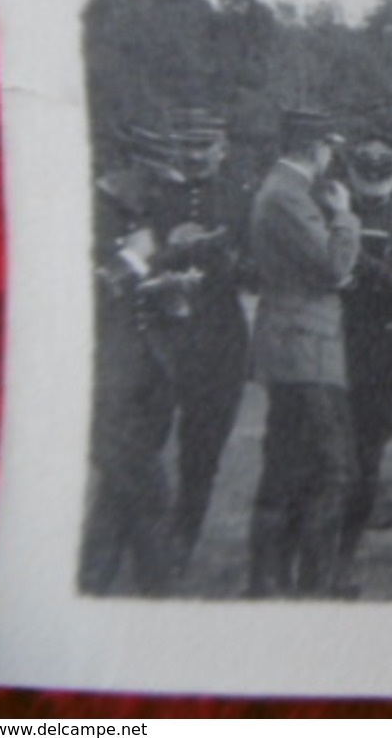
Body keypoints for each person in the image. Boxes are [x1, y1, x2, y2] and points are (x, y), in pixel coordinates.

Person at [245, 108, 362, 599]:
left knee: (293, 463)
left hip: (299, 347)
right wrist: (345, 218)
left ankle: (274, 582)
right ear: (315, 148)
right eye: (328, 147)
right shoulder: (289, 195)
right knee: (331, 466)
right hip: (304, 350)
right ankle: (306, 583)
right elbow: (334, 268)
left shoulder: (282, 191)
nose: (330, 156)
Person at [139, 108, 254, 579]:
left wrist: (231, 263)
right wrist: (167, 262)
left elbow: (258, 268)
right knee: (143, 444)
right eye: (187, 145)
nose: (195, 155)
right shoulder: (153, 195)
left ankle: (182, 542)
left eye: (205, 146)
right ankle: (146, 538)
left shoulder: (242, 198)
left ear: (223, 150)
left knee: (202, 451)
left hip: (219, 337)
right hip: (159, 334)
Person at [79, 126, 194, 596]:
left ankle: (90, 588)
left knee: (116, 501)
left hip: (145, 380)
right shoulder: (84, 212)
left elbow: (135, 294)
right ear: (125, 167)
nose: (158, 193)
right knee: (150, 495)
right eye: (151, 180)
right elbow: (79, 297)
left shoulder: (133, 214)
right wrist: (133, 263)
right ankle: (159, 601)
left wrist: (170, 292)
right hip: (102, 388)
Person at [335, 131, 392, 592]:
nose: (372, 185)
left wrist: (376, 271)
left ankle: (344, 559)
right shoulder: (331, 210)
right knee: (328, 459)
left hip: (381, 350)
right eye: (363, 175)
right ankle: (322, 561)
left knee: (368, 458)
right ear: (350, 174)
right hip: (333, 345)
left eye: (381, 176)